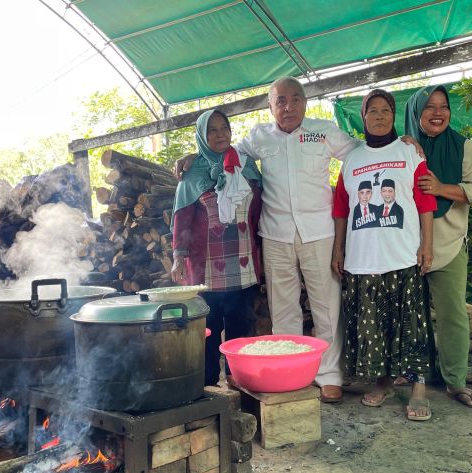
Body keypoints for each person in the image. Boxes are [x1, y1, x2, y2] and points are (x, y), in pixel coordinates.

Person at [176, 77, 425, 403]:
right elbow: (224, 151)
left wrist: (401, 141)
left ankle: (328, 376)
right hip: (275, 234)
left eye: (295, 99)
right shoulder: (259, 137)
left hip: (319, 233)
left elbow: (363, 149)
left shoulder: (323, 131)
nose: (288, 106)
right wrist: (191, 158)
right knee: (284, 311)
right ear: (271, 106)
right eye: (281, 100)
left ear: (305, 102)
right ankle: (291, 374)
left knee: (326, 307)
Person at [331, 89, 436, 420]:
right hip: (364, 260)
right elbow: (340, 210)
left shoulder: (409, 153)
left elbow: (425, 203)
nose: (379, 116)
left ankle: (419, 389)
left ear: (394, 115)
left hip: (403, 254)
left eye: (385, 110)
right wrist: (338, 249)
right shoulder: (351, 160)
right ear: (363, 117)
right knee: (373, 327)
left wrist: (427, 245)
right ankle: (384, 381)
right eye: (372, 111)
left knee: (412, 326)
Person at [405, 85, 472, 408]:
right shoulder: (403, 147)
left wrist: (442, 188)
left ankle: (455, 381)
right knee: (411, 316)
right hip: (404, 247)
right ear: (415, 112)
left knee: (453, 314)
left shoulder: (464, 148)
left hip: (449, 243)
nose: (438, 113)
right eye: (429, 107)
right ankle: (416, 375)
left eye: (444, 106)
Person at [171, 109, 263, 387]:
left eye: (225, 128)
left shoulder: (246, 166)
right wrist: (178, 258)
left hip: (244, 265)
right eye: (212, 130)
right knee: (207, 333)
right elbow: (182, 217)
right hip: (206, 271)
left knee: (241, 330)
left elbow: (260, 208)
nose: (220, 134)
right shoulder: (192, 172)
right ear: (202, 135)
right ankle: (208, 389)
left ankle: (240, 386)